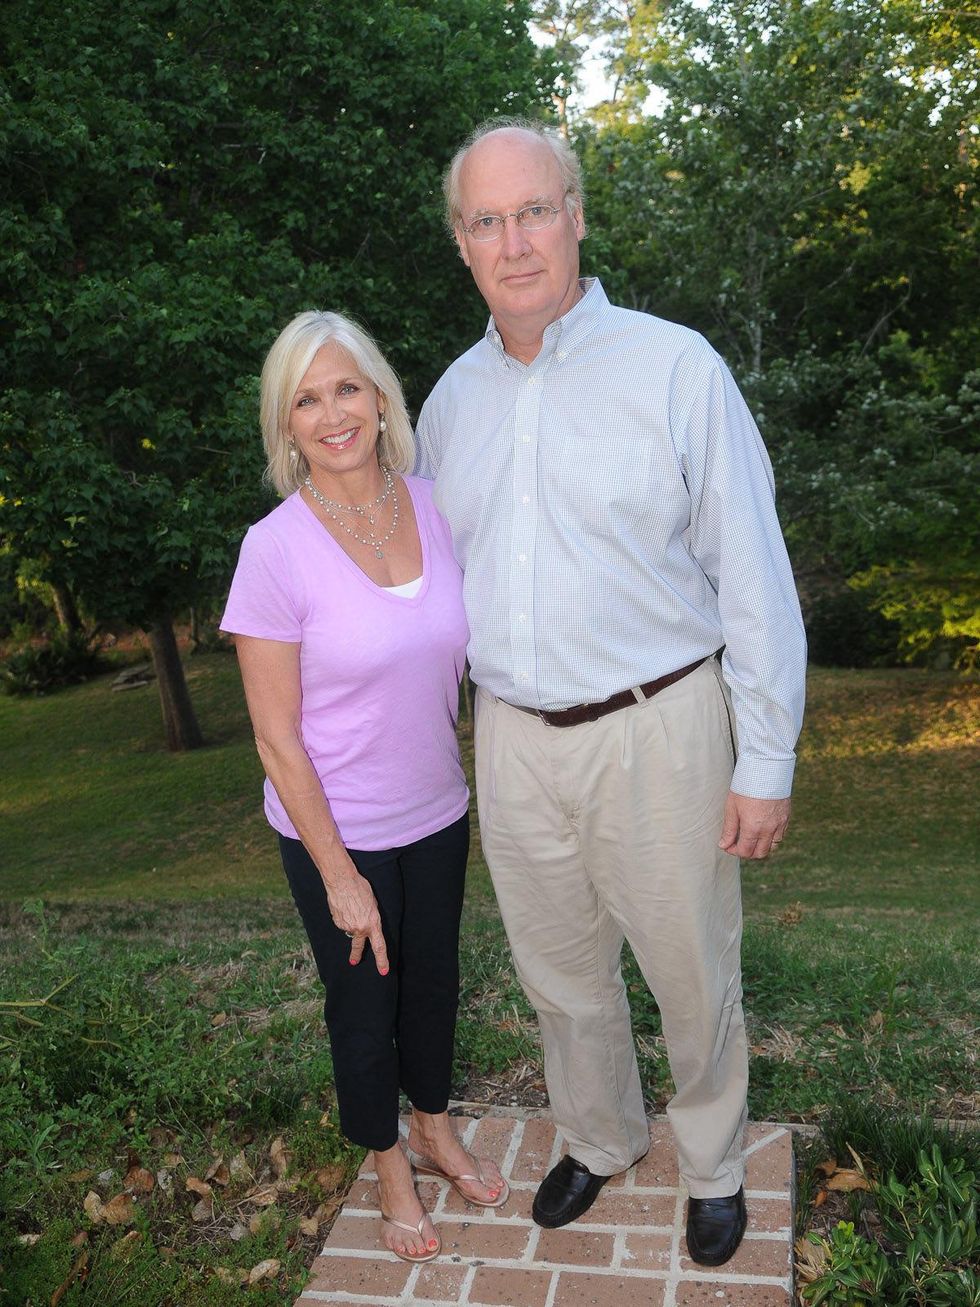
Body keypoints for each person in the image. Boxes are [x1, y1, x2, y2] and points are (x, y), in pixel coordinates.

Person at [415, 120, 807, 1268]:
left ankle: (715, 1160)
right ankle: (596, 1133)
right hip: (514, 735)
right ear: (460, 243)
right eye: (485, 220)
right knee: (558, 971)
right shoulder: (445, 405)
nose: (513, 239)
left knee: (690, 966)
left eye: (533, 209)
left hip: (659, 727)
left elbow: (752, 574)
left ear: (577, 215)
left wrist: (763, 759)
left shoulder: (675, 367)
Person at [221, 310, 509, 1264]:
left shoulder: (434, 505)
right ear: (286, 424)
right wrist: (338, 871)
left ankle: (432, 1123)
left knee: (432, 983)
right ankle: (387, 1164)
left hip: (437, 808)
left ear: (381, 398)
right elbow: (276, 736)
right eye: (307, 398)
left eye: (347, 388)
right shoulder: (275, 548)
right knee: (363, 1004)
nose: (332, 413)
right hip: (331, 828)